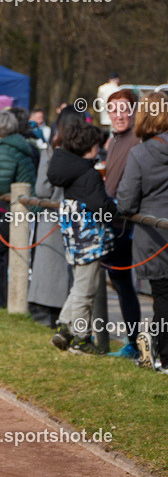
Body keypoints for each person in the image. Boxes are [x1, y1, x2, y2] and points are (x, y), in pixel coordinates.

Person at [48, 120, 117, 355]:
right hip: (88, 242)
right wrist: (114, 208)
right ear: (91, 147)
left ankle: (65, 328)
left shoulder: (71, 171)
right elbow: (101, 207)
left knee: (79, 286)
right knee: (86, 291)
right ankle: (81, 339)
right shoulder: (88, 175)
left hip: (75, 240)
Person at [117, 91, 168, 372]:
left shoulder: (140, 153)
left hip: (155, 237)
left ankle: (164, 357)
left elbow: (126, 201)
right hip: (157, 234)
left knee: (162, 297)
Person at [28, 107, 85, 327]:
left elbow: (42, 189)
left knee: (48, 273)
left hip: (52, 218)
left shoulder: (51, 152)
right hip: (77, 219)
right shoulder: (85, 153)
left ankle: (45, 317)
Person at [0, 109, 39, 309]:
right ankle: (3, 299)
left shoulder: (4, 148)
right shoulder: (18, 144)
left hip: (19, 210)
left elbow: (4, 186)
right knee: (1, 251)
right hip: (24, 208)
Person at [102, 89, 144, 359]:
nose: (119, 115)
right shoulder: (112, 141)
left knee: (125, 282)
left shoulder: (138, 140)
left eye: (124, 109)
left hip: (130, 223)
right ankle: (129, 341)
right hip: (111, 220)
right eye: (113, 110)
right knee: (117, 281)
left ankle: (134, 343)